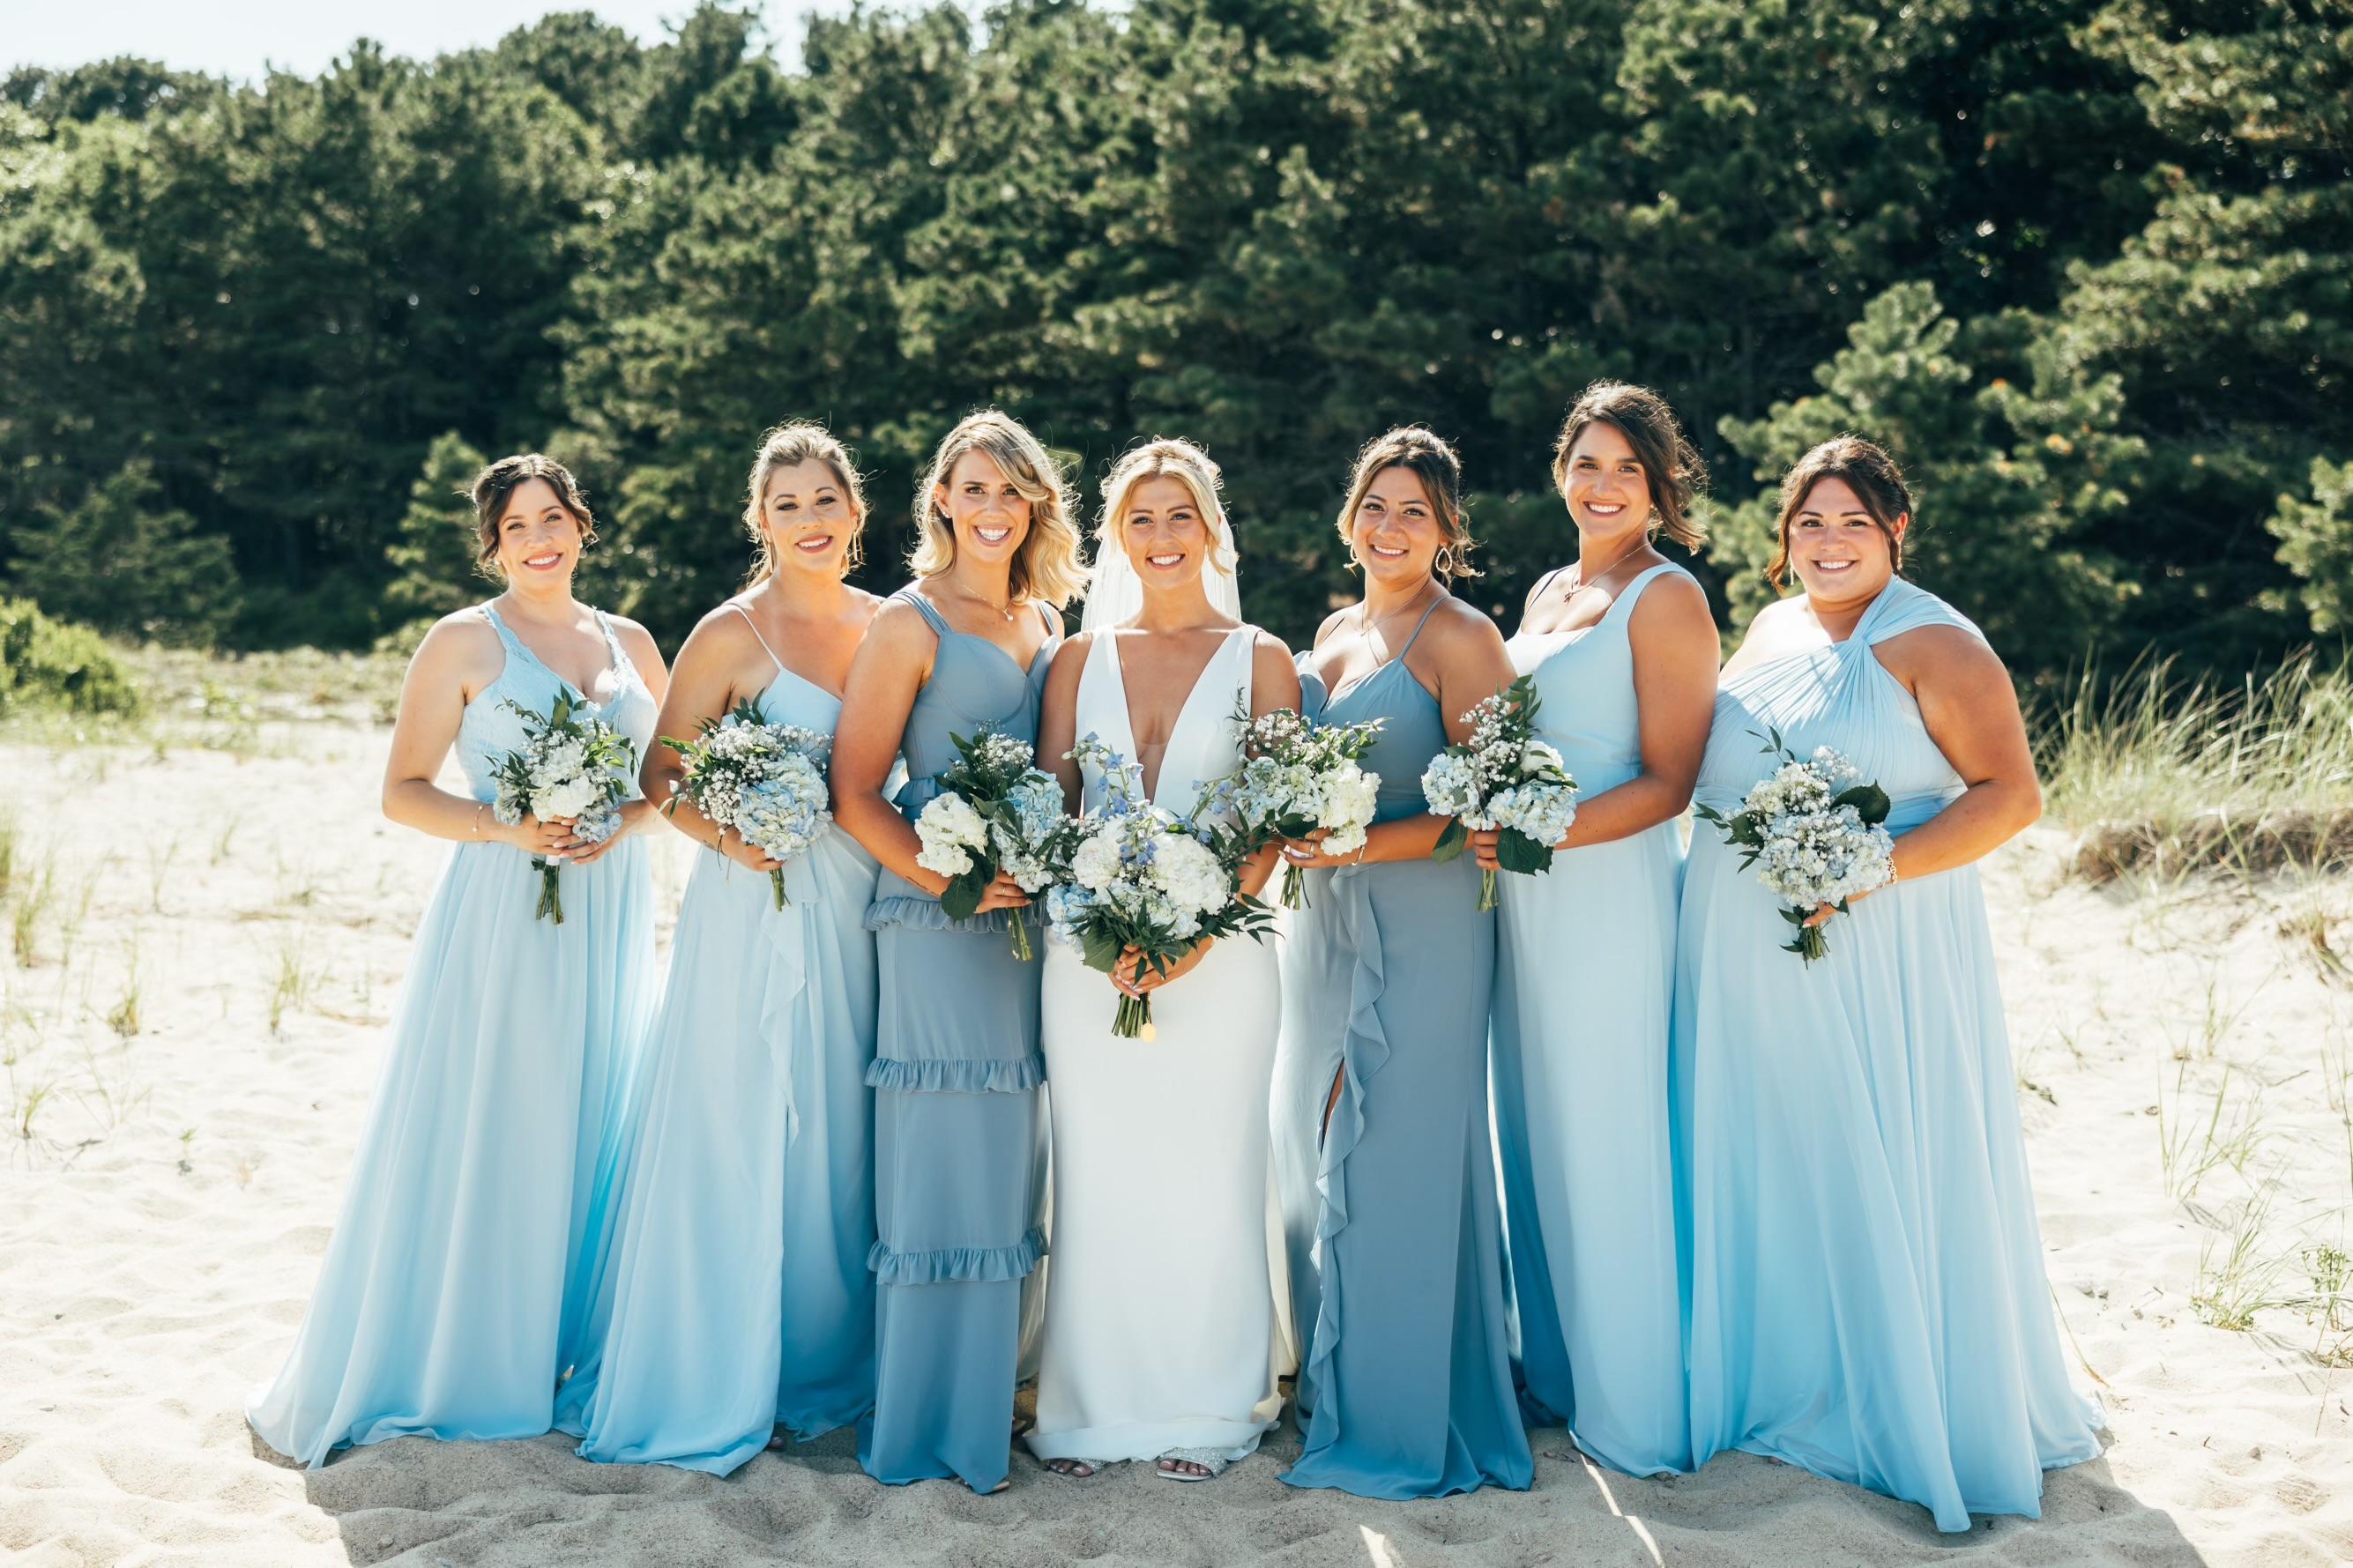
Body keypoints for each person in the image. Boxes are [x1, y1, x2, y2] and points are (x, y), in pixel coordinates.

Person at [1673, 435, 2104, 1531]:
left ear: (1894, 530)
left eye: (1852, 523)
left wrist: (1864, 870)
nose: (1828, 543)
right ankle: (1793, 1377)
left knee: (1870, 1140)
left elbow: (2010, 796)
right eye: (1808, 523)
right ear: (1783, 535)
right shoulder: (1771, 628)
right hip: (1745, 949)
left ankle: (1899, 1398)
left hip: (1877, 945)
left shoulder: (1932, 642)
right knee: (1782, 1146)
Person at [247, 454, 666, 1467]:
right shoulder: (462, 642)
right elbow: (402, 790)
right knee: (499, 1115)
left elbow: (669, 781)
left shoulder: (634, 641)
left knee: (588, 1113)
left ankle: (553, 1347)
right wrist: (509, 828)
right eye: (517, 526)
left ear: (582, 526)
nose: (539, 539)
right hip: (505, 910)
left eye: (553, 518)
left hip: (610, 904)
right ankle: (469, 1358)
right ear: (493, 545)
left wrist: (623, 823)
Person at [559, 422, 884, 1470]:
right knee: (742, 1117)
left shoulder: (889, 623)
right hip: (754, 905)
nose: (809, 521)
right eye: (787, 506)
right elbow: (661, 778)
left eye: (824, 500)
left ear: (855, 510)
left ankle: (824, 1365)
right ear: (761, 521)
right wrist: (739, 839)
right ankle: (720, 1362)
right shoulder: (730, 632)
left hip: (862, 903)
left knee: (837, 1131)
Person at [1024, 439, 1298, 1483]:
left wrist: (1195, 937)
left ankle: (1214, 1405)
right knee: (1098, 1174)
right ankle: (1090, 1407)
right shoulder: (1074, 660)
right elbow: (1051, 811)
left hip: (1221, 961)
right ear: (1114, 537)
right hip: (1086, 961)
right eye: (1139, 518)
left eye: (1179, 514)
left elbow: (1272, 823)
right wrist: (1095, 927)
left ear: (1212, 528)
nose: (1160, 536)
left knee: (1209, 1170)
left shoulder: (1261, 659)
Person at [1269, 427, 1533, 1499]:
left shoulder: (1462, 637)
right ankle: (1334, 1382)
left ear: (1446, 530)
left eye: (1413, 511)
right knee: (1315, 1139)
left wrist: (1353, 844)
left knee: (1400, 1154)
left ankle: (1403, 1411)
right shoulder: (1334, 631)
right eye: (1374, 505)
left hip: (1425, 922)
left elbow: (1493, 810)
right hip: (1327, 921)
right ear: (1349, 517)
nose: (1389, 526)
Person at [830, 409, 1084, 1494]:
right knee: (941, 1149)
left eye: (1010, 490)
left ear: (1035, 504)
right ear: (939, 498)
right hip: (935, 917)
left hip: (1023, 923)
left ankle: (988, 1401)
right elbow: (855, 793)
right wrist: (954, 880)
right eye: (972, 488)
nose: (991, 508)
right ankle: (926, 1421)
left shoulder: (1046, 617)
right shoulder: (908, 620)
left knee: (1005, 1150)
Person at [1480, 383, 1716, 1476]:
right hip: (1521, 897)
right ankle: (1562, 1371)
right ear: (1559, 472)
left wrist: (1538, 834)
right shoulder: (1545, 590)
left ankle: (1632, 1401)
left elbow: (1671, 781)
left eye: (1628, 468)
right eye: (1587, 463)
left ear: (1659, 487)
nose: (1603, 485)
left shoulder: (1665, 598)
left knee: (1605, 1124)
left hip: (1607, 891)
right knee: (1534, 1124)